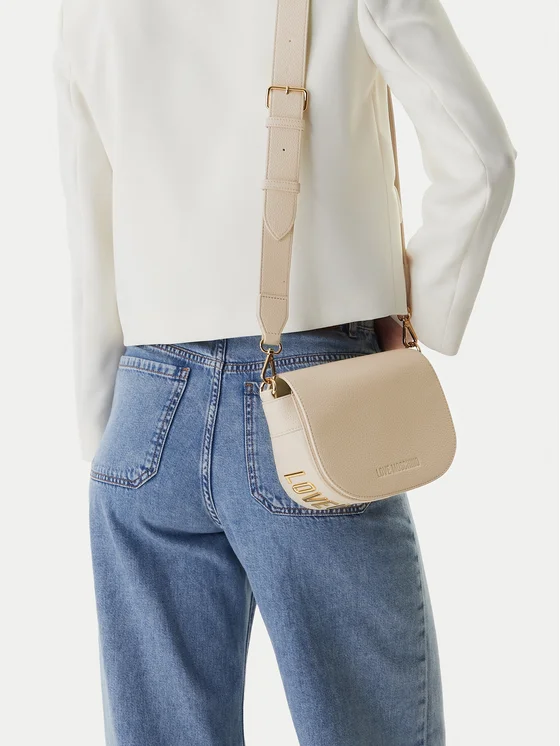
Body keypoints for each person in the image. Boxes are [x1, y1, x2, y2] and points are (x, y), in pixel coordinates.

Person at [52, 0, 516, 744]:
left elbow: (87, 226)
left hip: (142, 413)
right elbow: (483, 162)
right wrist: (419, 309)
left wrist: (101, 428)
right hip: (315, 398)